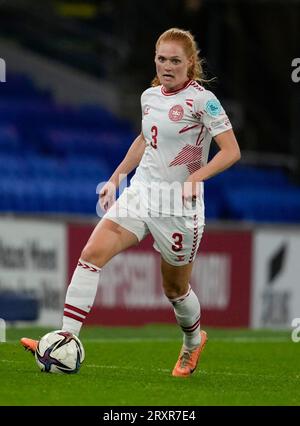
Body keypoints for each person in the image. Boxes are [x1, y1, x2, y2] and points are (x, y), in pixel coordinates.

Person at [21, 28, 241, 377]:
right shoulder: (149, 96)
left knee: (175, 289)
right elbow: (144, 138)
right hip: (142, 193)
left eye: (175, 61)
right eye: (161, 59)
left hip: (178, 208)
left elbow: (231, 151)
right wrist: (116, 177)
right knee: (91, 255)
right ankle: (65, 339)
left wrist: (195, 179)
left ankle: (193, 341)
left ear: (190, 63)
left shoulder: (204, 101)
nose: (167, 66)